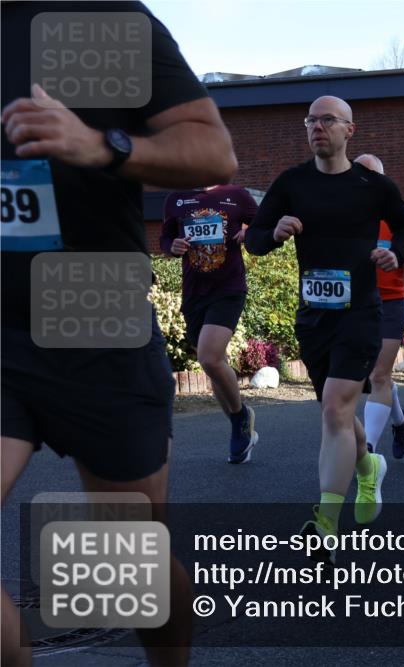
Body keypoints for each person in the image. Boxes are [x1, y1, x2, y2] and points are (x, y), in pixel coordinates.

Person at [2, 3, 238, 664]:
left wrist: (103, 146)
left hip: (93, 316)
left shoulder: (97, 19)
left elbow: (213, 149)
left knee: (129, 569)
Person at [246, 96, 404, 562]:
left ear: (349, 130)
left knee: (337, 408)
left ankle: (325, 525)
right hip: (313, 317)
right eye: (310, 121)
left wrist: (396, 253)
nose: (317, 127)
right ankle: (368, 466)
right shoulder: (291, 183)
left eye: (327, 120)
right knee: (335, 413)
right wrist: (274, 231)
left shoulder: (373, 185)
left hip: (362, 312)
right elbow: (255, 240)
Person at [161, 184, 259, 462]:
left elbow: (264, 223)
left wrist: (250, 231)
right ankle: (239, 428)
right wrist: (173, 246)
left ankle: (240, 416)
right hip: (194, 294)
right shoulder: (175, 198)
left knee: (209, 357)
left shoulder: (237, 195)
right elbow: (166, 239)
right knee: (217, 365)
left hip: (228, 289)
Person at [354, 154, 404, 459]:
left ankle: (367, 450)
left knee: (379, 376)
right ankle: (401, 420)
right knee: (373, 375)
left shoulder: (395, 212)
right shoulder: (343, 212)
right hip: (353, 303)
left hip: (390, 302)